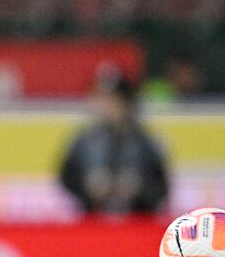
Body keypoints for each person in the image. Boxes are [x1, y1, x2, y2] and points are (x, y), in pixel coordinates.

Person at [58, 69, 170, 215]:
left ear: (127, 103)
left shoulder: (145, 141)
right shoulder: (84, 141)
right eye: (103, 99)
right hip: (93, 221)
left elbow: (161, 186)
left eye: (114, 100)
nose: (108, 106)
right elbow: (67, 178)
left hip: (136, 221)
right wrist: (88, 189)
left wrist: (139, 189)